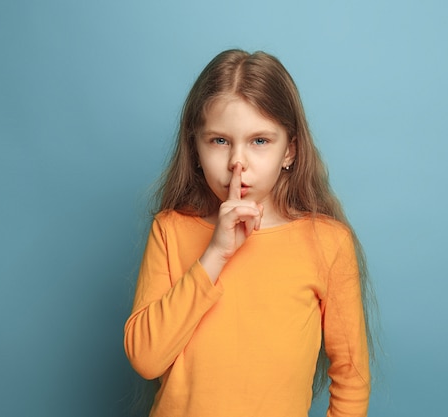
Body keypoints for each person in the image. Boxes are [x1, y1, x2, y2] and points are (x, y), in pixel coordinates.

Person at [124, 49, 376, 417]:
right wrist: (215, 254)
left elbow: (351, 378)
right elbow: (146, 359)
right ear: (195, 148)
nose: (236, 162)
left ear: (289, 150)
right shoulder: (170, 230)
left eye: (259, 141)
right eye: (219, 141)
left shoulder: (328, 243)